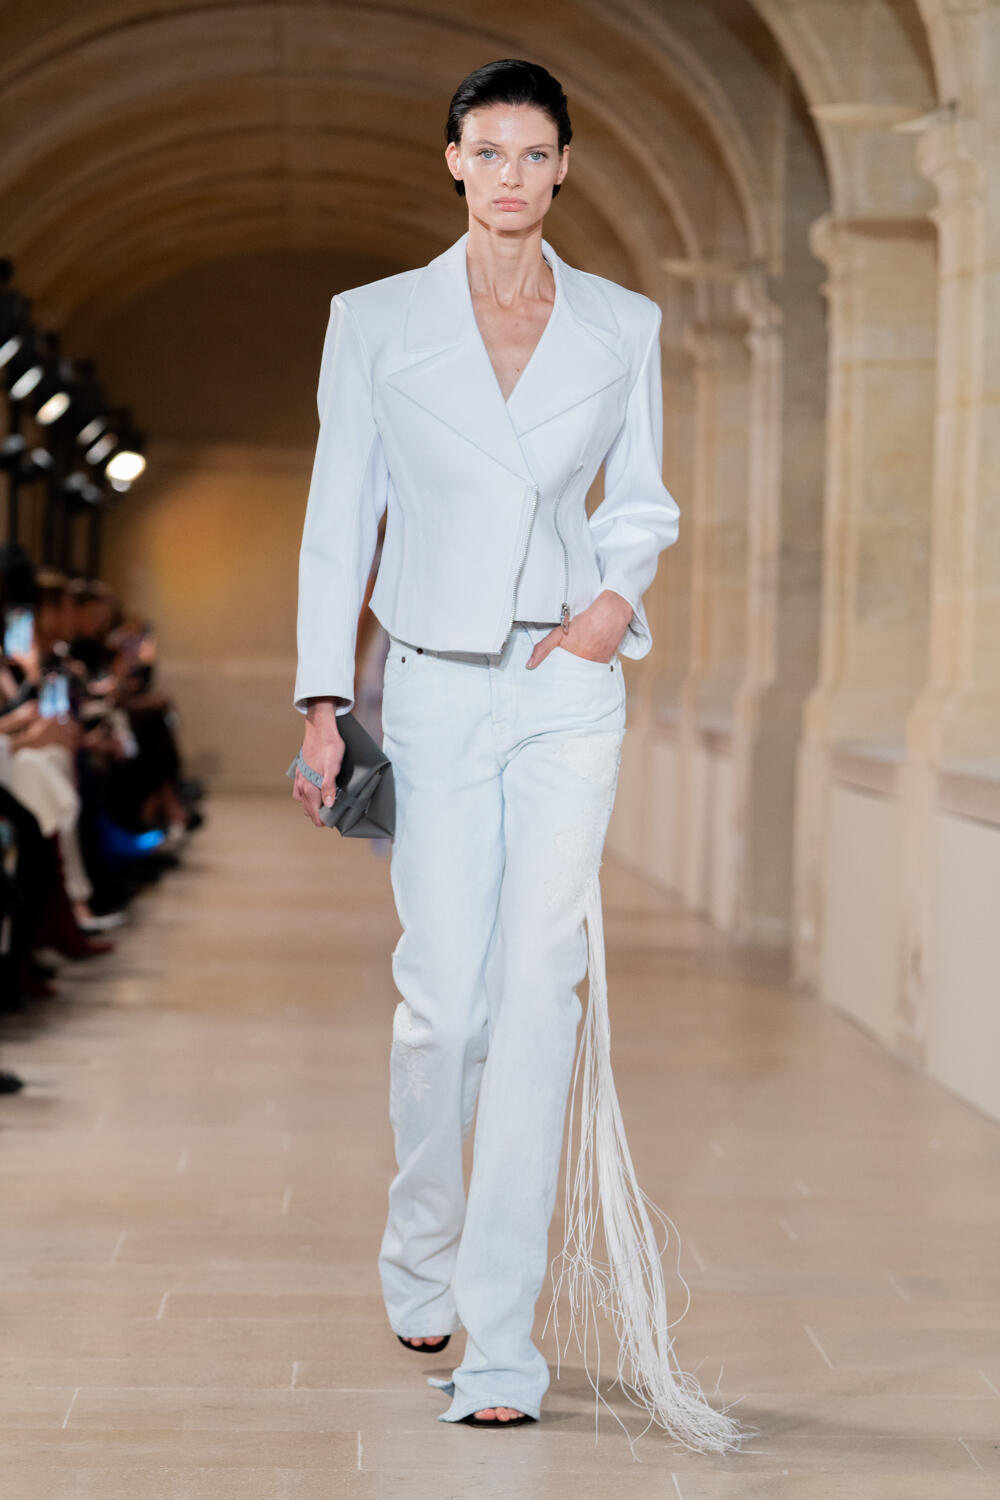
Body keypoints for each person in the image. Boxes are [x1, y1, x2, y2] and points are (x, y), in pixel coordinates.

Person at [289, 59, 754, 1452]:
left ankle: (502, 1339)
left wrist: (612, 607)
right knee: (446, 1005)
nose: (509, 174)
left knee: (540, 988)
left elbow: (643, 497)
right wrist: (322, 701)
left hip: (564, 682)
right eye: (486, 150)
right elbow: (340, 515)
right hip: (432, 683)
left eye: (534, 152)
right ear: (452, 162)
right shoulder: (375, 321)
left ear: (564, 168)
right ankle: (420, 1246)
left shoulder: (621, 323)